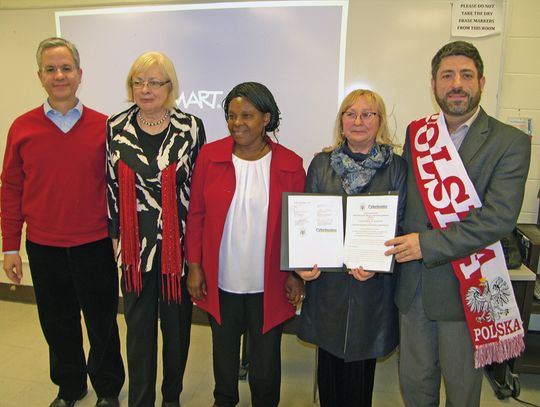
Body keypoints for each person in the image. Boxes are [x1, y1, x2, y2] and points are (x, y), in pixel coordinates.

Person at [385, 41, 531, 407]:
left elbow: (497, 219)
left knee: (462, 390)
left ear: (481, 82)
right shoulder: (419, 134)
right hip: (415, 287)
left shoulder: (510, 142)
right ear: (433, 84)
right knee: (414, 383)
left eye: (466, 75)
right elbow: (408, 202)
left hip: (469, 286)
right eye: (447, 75)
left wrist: (426, 245)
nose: (456, 84)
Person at [0, 37, 125, 407]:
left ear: (79, 74)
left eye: (66, 68)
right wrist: (10, 247)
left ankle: (106, 390)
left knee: (102, 324)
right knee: (58, 324)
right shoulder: (21, 128)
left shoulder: (106, 127)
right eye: (51, 69)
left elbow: (120, 190)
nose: (59, 75)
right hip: (43, 246)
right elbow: (11, 191)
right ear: (40, 76)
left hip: (95, 244)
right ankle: (70, 388)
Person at [185, 82, 305, 407]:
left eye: (247, 115)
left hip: (270, 284)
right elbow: (196, 214)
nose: (237, 122)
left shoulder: (291, 164)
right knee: (223, 358)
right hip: (221, 280)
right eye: (231, 115)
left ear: (266, 118)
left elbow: (299, 226)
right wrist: (194, 266)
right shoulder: (210, 157)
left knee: (266, 365)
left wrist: (296, 274)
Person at [106, 51, 206, 407]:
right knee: (138, 333)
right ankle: (141, 400)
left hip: (175, 251)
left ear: (170, 87)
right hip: (134, 251)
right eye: (138, 82)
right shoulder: (115, 126)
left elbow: (199, 193)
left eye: (154, 82)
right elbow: (112, 187)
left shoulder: (190, 127)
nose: (145, 89)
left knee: (177, 332)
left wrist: (197, 252)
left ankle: (171, 398)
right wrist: (116, 238)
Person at [296, 89, 406, 407]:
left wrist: (378, 260)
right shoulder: (321, 164)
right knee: (328, 372)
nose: (358, 121)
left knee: (360, 376)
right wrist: (302, 263)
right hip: (328, 285)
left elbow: (400, 224)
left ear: (379, 121)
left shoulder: (396, 168)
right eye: (350, 113)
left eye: (367, 114)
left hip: (372, 285)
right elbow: (306, 221)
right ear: (341, 121)